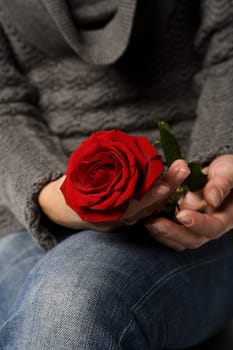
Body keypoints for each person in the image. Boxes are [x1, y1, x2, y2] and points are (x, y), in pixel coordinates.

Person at [0, 0, 232, 348]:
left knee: (68, 303)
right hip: (26, 218)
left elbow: (227, 57)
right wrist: (56, 200)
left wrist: (217, 162)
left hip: (189, 218)